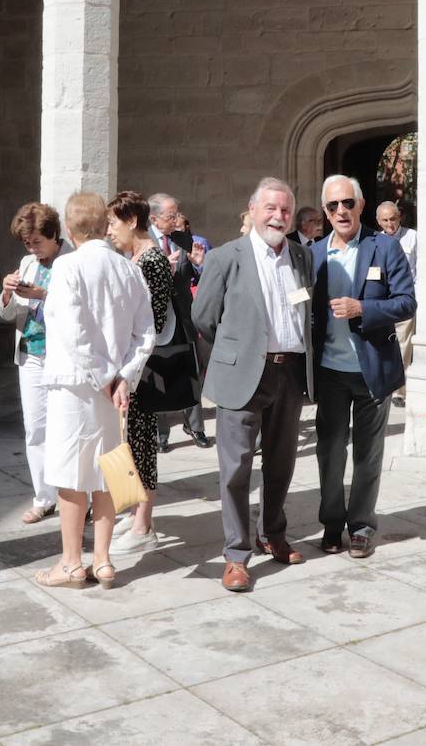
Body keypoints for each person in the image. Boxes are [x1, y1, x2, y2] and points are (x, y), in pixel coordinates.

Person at [193, 177, 315, 593]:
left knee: (281, 463)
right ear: (253, 209)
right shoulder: (227, 258)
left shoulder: (301, 256)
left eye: (284, 210)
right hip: (243, 373)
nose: (278, 216)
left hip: (290, 372)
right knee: (236, 469)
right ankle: (235, 555)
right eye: (271, 208)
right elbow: (203, 317)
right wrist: (238, 350)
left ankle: (273, 534)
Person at [36, 192, 155, 589]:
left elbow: (73, 331)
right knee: (107, 469)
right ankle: (102, 559)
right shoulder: (128, 269)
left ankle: (72, 561)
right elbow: (146, 333)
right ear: (105, 225)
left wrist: (108, 376)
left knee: (72, 475)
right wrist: (124, 376)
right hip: (113, 388)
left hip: (76, 385)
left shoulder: (67, 266)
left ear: (69, 230)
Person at [311, 177, 416, 558]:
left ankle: (361, 525)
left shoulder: (384, 247)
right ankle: (331, 523)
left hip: (373, 368)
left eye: (347, 203)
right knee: (330, 451)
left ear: (360, 204)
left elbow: (407, 303)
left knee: (368, 454)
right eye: (332, 206)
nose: (341, 211)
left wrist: (363, 309)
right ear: (324, 211)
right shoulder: (315, 252)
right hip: (330, 371)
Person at [106, 190, 179, 553]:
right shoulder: (132, 256)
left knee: (141, 444)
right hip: (125, 366)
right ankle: (130, 509)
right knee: (124, 441)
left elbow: (154, 320)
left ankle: (143, 524)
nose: (109, 230)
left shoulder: (151, 260)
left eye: (112, 223)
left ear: (132, 220)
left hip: (144, 368)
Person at [0, 203, 72, 524]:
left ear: (54, 235)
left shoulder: (72, 261)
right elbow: (9, 314)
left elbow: (81, 311)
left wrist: (45, 295)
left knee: (68, 429)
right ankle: (44, 497)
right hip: (30, 353)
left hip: (64, 356)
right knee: (35, 429)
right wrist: (6, 294)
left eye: (37, 241)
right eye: (27, 243)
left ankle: (75, 498)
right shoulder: (27, 263)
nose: (32, 248)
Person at [148, 192, 213, 451]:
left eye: (177, 214)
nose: (176, 220)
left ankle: (196, 428)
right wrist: (160, 267)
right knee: (159, 375)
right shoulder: (143, 241)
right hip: (156, 320)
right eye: (170, 215)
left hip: (184, 317)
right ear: (153, 218)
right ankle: (161, 434)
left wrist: (200, 265)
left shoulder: (182, 238)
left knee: (191, 374)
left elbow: (200, 276)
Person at [375, 201, 418, 409]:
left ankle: (398, 391)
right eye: (385, 220)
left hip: (403, 299)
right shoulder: (374, 240)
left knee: (403, 344)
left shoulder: (413, 237)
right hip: (381, 302)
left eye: (393, 219)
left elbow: (419, 268)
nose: (389, 223)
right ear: (378, 221)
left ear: (399, 217)